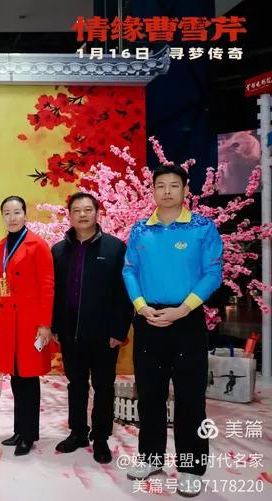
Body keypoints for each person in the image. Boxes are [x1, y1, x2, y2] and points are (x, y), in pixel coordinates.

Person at [122, 164, 223, 497]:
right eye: (160, 185)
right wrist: (141, 306)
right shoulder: (140, 230)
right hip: (148, 319)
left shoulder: (202, 228)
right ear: (152, 190)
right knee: (149, 394)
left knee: (190, 397)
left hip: (187, 319)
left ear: (185, 190)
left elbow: (213, 272)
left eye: (174, 185)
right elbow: (129, 270)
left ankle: (191, 467)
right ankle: (151, 457)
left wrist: (183, 308)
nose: (166, 191)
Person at [51, 192, 133, 464]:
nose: (82, 215)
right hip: (70, 331)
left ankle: (101, 438)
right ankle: (77, 433)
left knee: (103, 386)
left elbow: (124, 293)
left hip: (103, 333)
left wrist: (118, 331)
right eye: (77, 210)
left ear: (97, 213)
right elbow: (54, 293)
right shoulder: (59, 250)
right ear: (69, 216)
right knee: (75, 384)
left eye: (88, 209)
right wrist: (55, 326)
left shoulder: (114, 248)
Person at [0, 196, 54, 455]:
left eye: (17, 212)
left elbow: (48, 286)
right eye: (7, 213)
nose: (12, 217)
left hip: (30, 323)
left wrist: (44, 324)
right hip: (9, 322)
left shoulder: (38, 245)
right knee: (16, 378)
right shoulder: (0, 247)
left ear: (25, 215)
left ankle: (29, 434)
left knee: (29, 379)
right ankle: (19, 430)